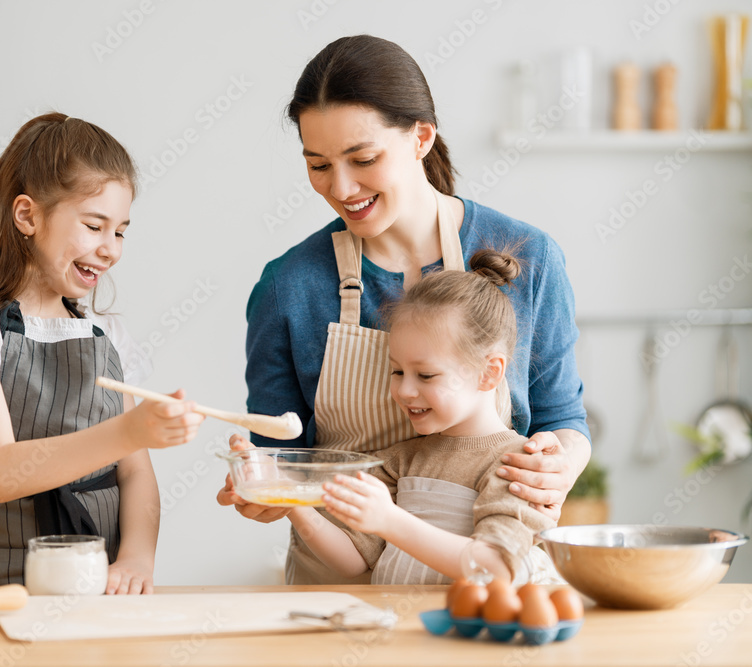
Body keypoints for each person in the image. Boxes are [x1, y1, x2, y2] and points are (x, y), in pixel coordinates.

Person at [216, 35, 590, 584]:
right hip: (334, 588)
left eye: (362, 159)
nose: (341, 188)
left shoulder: (527, 255)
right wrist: (265, 489)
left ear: (421, 137)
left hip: (481, 587)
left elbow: (563, 419)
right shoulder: (288, 286)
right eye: (318, 165)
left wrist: (559, 463)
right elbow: (282, 457)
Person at [0, 112, 204, 594]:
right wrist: (130, 430)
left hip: (103, 590)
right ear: (27, 215)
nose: (110, 249)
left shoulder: (106, 333)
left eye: (121, 231)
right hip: (2, 591)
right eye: (95, 225)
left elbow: (135, 474)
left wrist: (135, 560)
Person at [288, 249, 557, 585]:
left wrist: (389, 520)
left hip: (467, 633)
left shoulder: (518, 465)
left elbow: (496, 568)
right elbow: (352, 561)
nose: (404, 391)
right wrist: (288, 499)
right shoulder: (399, 460)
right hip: (397, 630)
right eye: (397, 371)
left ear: (489, 372)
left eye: (426, 375)